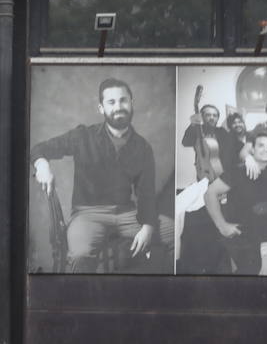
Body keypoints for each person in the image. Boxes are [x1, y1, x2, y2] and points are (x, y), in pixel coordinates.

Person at [30, 77, 168, 272]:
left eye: (123, 100)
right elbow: (39, 149)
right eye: (111, 102)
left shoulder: (142, 147)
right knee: (79, 255)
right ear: (101, 108)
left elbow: (146, 195)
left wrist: (147, 227)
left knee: (173, 234)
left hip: (128, 214)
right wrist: (42, 165)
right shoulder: (83, 136)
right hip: (87, 215)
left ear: (131, 103)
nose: (118, 107)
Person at [205, 130, 267, 274]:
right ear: (253, 149)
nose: (265, 150)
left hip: (264, 227)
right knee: (253, 266)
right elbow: (210, 193)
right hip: (241, 230)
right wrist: (222, 225)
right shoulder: (238, 171)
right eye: (261, 145)